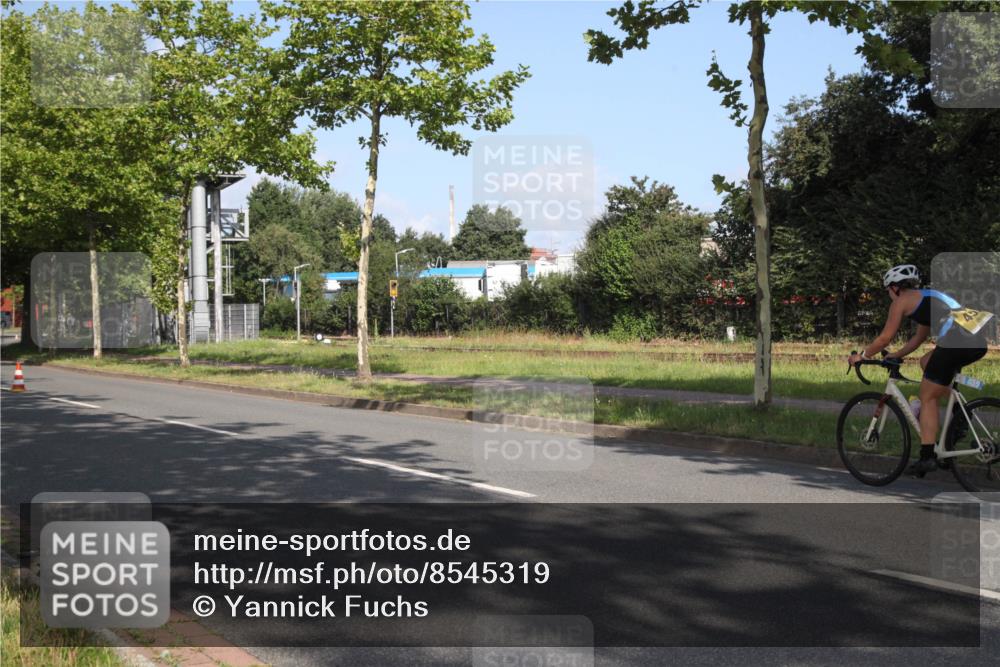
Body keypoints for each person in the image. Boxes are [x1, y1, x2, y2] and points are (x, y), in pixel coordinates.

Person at [847, 264, 991, 475]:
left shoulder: (901, 302)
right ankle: (958, 415)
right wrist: (896, 355)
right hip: (975, 341)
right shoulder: (926, 297)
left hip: (956, 340)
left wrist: (863, 355)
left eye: (888, 289)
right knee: (926, 362)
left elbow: (885, 337)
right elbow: (918, 338)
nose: (889, 294)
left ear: (895, 288)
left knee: (927, 396)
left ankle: (927, 457)